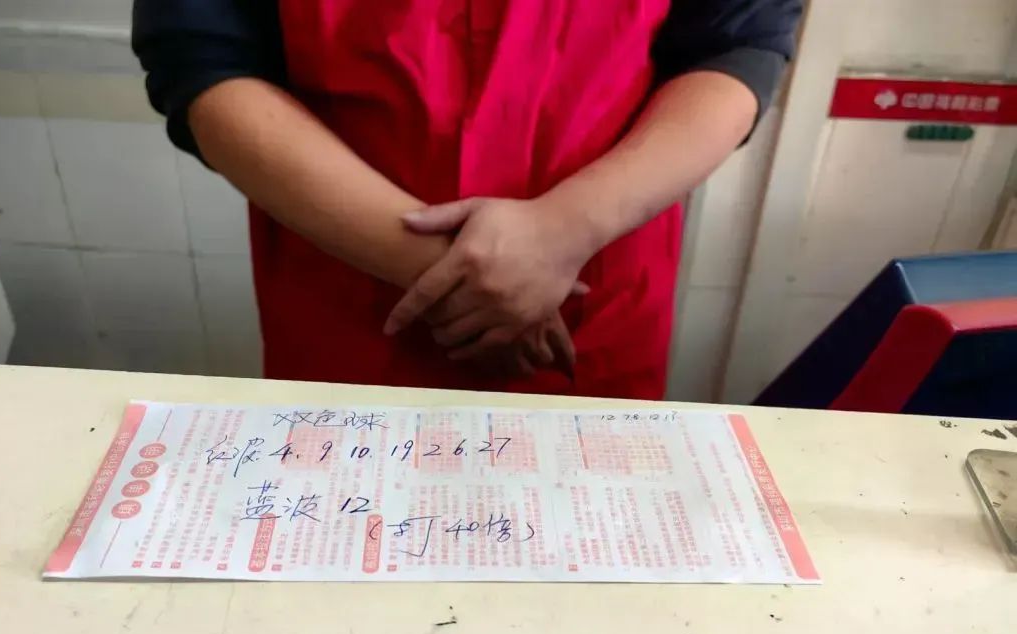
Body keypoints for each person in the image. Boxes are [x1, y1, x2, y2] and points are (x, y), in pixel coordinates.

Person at [133, 0, 802, 399]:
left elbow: (737, 46)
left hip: (588, 297)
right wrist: (469, 275)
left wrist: (566, 230)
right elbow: (204, 60)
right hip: (350, 298)